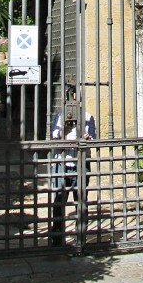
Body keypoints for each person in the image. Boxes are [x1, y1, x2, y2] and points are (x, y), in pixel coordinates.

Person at [50, 83, 95, 244]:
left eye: (77, 96)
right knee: (58, 202)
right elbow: (54, 137)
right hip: (61, 164)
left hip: (80, 165)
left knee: (81, 202)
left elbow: (93, 139)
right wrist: (64, 129)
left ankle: (80, 238)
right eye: (72, 96)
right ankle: (57, 238)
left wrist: (87, 138)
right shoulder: (60, 116)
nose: (74, 99)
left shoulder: (88, 117)